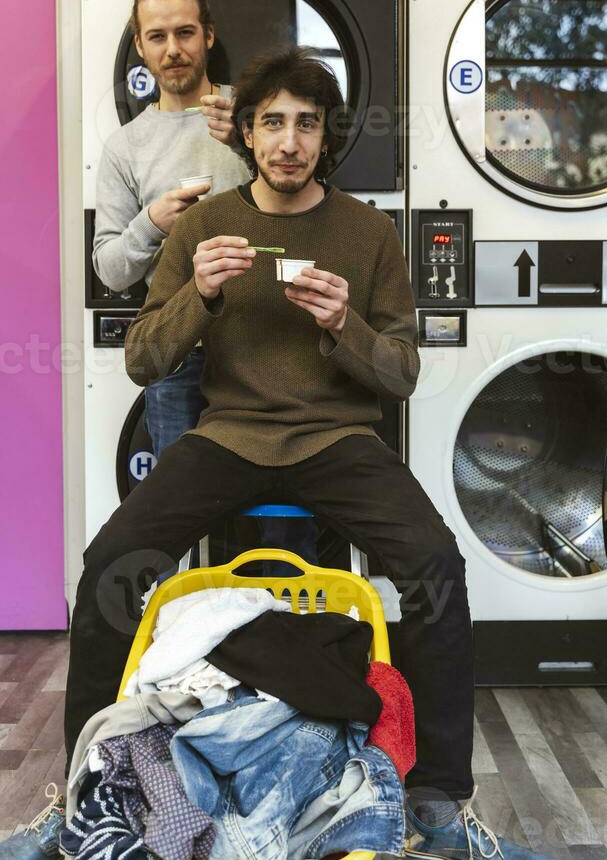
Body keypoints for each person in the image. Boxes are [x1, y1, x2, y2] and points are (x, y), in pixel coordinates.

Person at [1, 48, 550, 860]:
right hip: (229, 436)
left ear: (325, 136)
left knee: (436, 564)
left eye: (306, 123)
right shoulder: (204, 223)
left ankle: (439, 799)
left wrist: (343, 326)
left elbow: (401, 373)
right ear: (247, 136)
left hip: (337, 441)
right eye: (271, 124)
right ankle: (85, 790)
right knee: (112, 559)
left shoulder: (369, 232)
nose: (288, 141)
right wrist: (200, 292)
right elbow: (145, 360)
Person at [93, 0, 320, 560]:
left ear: (209, 36)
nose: (173, 49)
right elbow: (110, 270)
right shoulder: (125, 148)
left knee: (286, 505)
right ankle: (186, 636)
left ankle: (286, 629)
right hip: (179, 350)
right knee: (178, 510)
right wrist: (154, 222)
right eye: (158, 36)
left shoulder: (258, 120)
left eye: (186, 32)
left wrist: (248, 145)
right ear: (139, 46)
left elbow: (311, 210)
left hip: (270, 343)